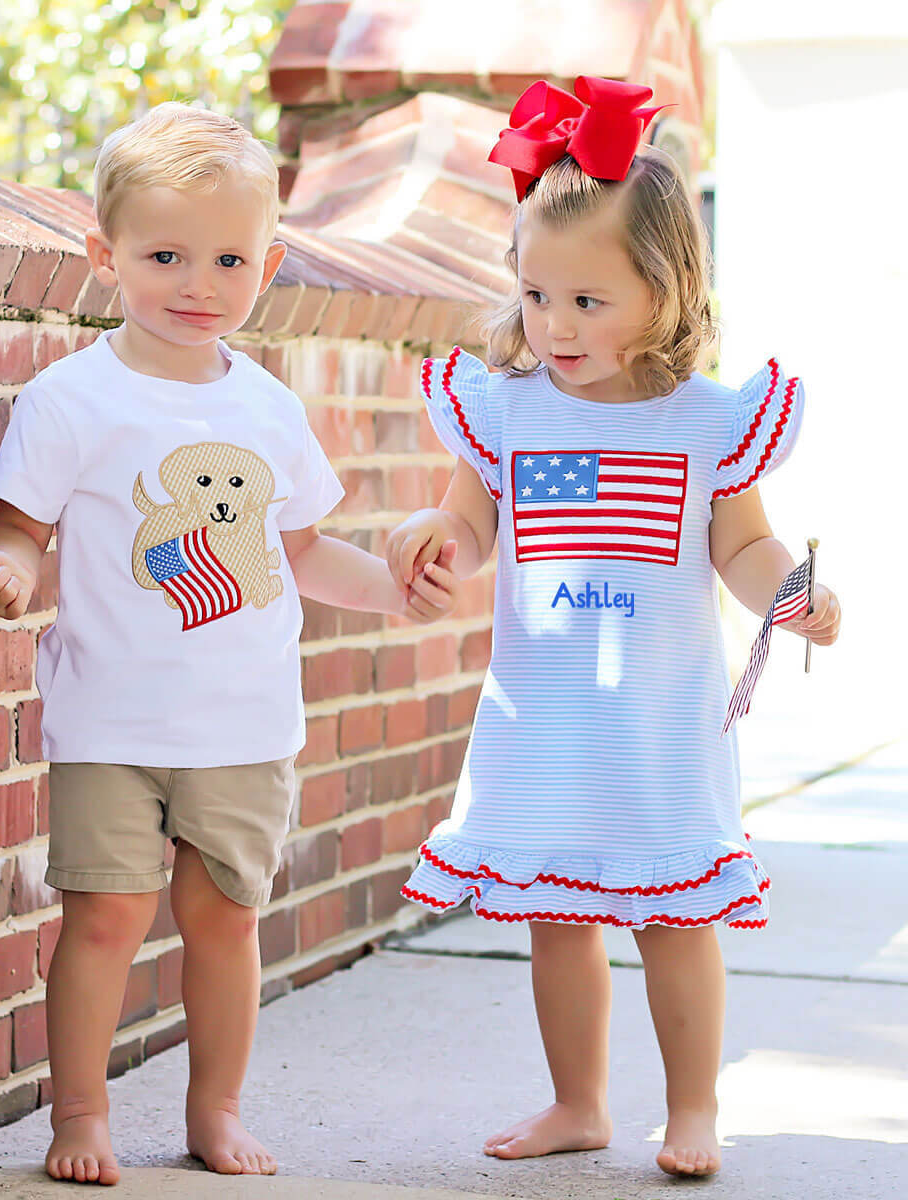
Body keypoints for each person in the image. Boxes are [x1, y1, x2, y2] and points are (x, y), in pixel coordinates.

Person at [0, 102, 458, 1187]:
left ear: (267, 264)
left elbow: (305, 554)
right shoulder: (70, 398)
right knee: (105, 919)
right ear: (106, 256)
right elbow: (17, 533)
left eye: (229, 258)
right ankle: (80, 1115)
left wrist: (395, 594)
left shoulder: (269, 408)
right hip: (110, 722)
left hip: (243, 724)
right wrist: (8, 572)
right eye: (166, 254)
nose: (199, 282)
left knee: (223, 923)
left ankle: (214, 1111)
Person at [386, 76, 841, 1179]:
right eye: (538, 296)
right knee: (557, 913)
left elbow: (742, 547)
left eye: (590, 301)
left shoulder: (705, 425)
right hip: (541, 712)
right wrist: (431, 536)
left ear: (667, 289)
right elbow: (469, 518)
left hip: (660, 715)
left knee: (675, 914)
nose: (555, 325)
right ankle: (578, 1102)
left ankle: (693, 1110)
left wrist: (793, 593)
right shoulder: (504, 408)